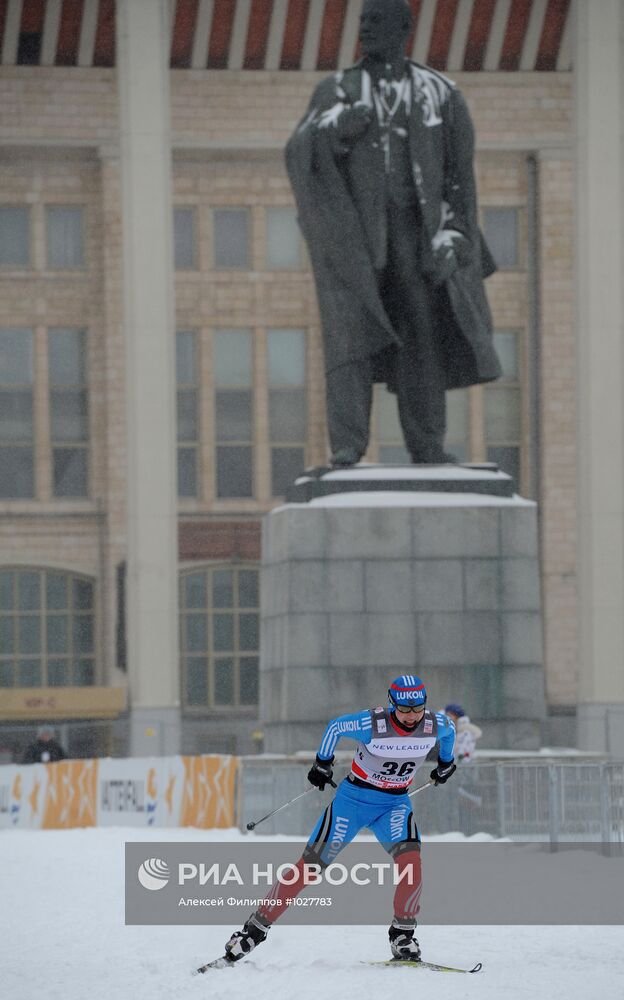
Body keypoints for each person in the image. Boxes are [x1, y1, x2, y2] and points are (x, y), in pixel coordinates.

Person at [286, 0, 500, 469]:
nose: (365, 30)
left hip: (417, 236)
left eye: (375, 22)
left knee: (422, 333)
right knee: (349, 336)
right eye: (361, 23)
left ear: (403, 28)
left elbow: (461, 179)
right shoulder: (338, 90)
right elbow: (300, 150)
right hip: (357, 239)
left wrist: (456, 235)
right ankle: (347, 444)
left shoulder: (442, 94)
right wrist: (335, 131)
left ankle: (427, 443)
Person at [223, 675, 456, 964]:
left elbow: (450, 733)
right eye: (404, 710)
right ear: (392, 703)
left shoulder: (435, 724)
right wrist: (323, 762)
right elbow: (336, 727)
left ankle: (403, 935)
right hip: (353, 801)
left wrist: (446, 763)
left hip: (394, 804)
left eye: (417, 709)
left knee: (411, 862)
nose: (411, 717)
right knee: (309, 868)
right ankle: (253, 931)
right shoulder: (373, 724)